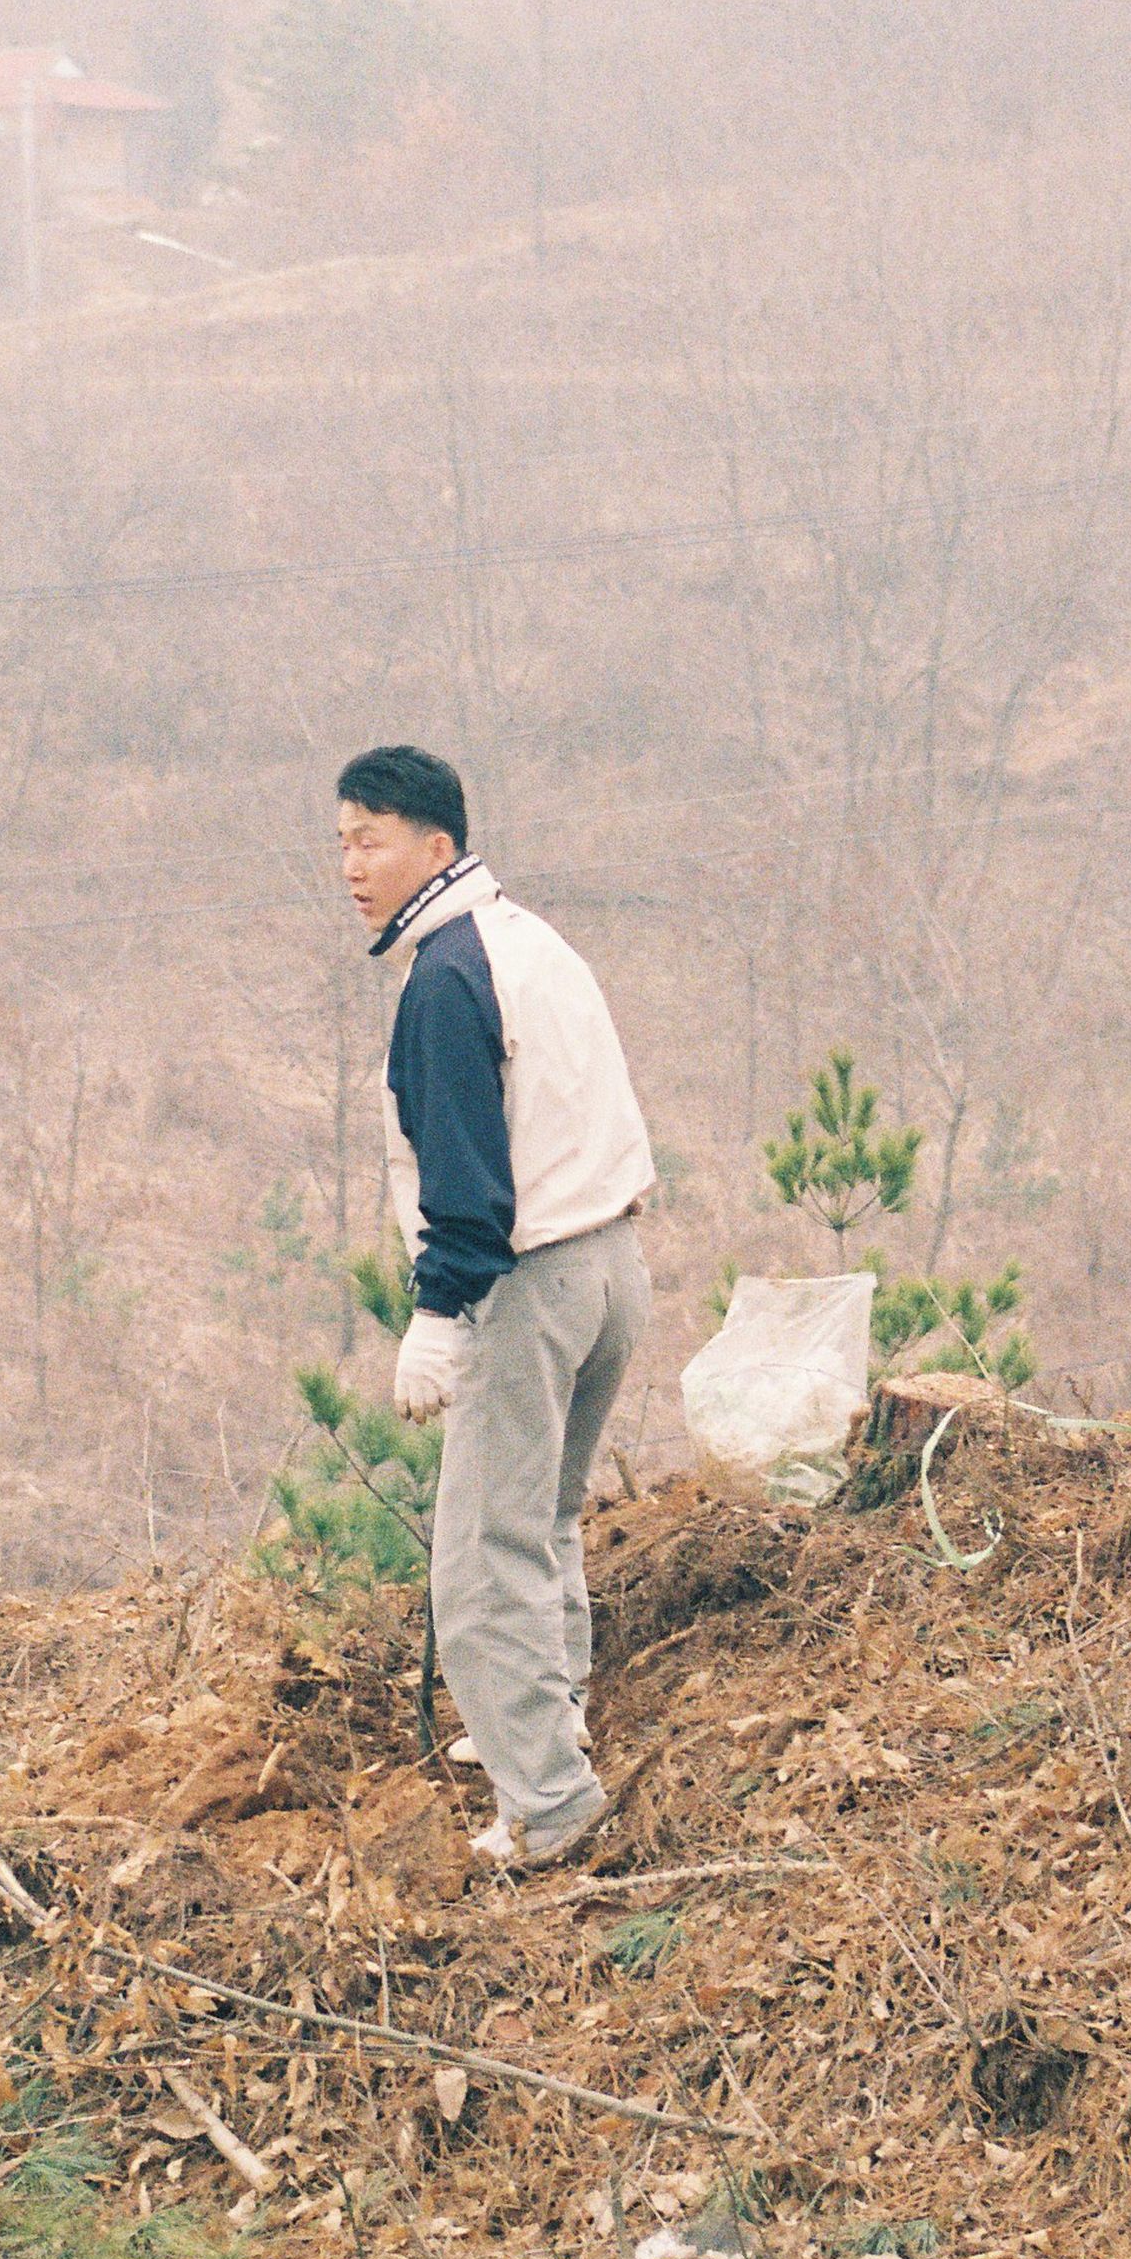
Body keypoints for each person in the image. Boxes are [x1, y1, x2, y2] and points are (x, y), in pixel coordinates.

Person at [337, 745, 657, 1873]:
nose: (349, 865)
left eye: (368, 839)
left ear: (433, 848)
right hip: (613, 1262)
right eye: (340, 841)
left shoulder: (443, 979)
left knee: (476, 1561)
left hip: (526, 1284)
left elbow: (466, 1180)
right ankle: (549, 1709)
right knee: (544, 1515)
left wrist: (438, 1313)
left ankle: (551, 1801)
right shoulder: (530, 941)